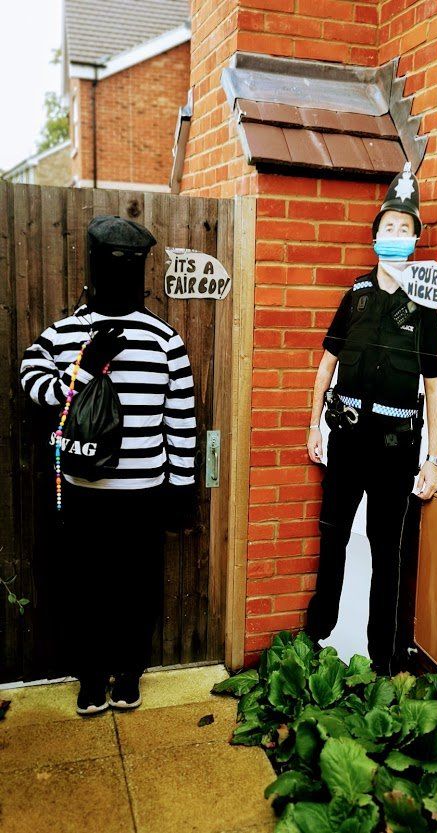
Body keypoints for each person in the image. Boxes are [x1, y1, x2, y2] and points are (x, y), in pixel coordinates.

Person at [20, 215, 197, 715]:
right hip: (82, 490)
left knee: (136, 589)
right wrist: (81, 371)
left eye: (131, 267)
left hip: (144, 492)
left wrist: (180, 490)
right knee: (84, 588)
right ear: (94, 267)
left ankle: (129, 673)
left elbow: (180, 420)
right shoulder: (65, 332)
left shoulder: (165, 339)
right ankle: (92, 677)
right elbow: (31, 381)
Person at [305, 164, 437, 676]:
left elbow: (434, 386)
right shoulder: (356, 295)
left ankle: (382, 661)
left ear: (415, 239)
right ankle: (317, 639)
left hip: (395, 448)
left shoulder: (426, 305)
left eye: (405, 229)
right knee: (333, 534)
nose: (395, 235)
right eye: (388, 227)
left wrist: (432, 459)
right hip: (346, 438)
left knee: (389, 551)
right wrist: (313, 424)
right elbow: (327, 363)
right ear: (375, 236)